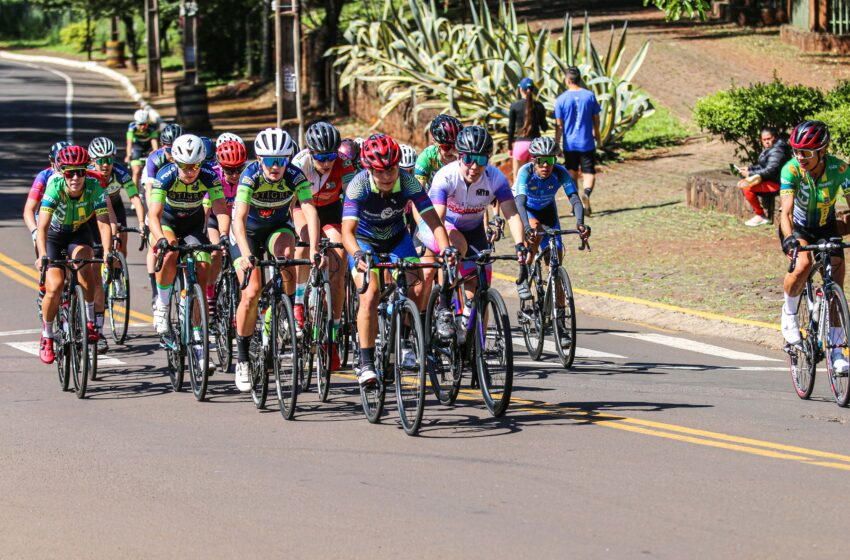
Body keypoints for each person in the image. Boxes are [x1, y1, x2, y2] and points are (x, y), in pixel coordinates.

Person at [342, 133, 454, 386]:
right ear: (369, 169)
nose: (387, 176)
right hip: (363, 241)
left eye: (391, 169)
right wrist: (357, 254)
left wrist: (446, 249)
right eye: (380, 171)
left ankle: (402, 340)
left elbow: (434, 221)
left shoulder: (408, 181)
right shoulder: (358, 185)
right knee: (369, 294)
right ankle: (366, 361)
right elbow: (347, 231)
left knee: (417, 286)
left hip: (396, 238)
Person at [415, 125, 529, 341]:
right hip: (440, 225)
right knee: (456, 246)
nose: (474, 166)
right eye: (468, 159)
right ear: (459, 156)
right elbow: (437, 217)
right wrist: (446, 246)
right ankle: (444, 308)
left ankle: (471, 341)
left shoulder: (495, 178)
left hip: (473, 228)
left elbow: (512, 214)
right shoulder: (445, 177)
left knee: (480, 278)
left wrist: (520, 245)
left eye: (481, 160)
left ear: (489, 159)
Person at [231, 128, 323, 392]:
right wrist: (247, 254)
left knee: (287, 258)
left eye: (281, 160)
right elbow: (238, 219)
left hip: (276, 228)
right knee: (251, 292)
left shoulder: (295, 175)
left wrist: (315, 248)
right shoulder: (249, 176)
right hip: (246, 232)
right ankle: (243, 358)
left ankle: (285, 310)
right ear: (259, 160)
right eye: (270, 161)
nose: (276, 167)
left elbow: (309, 210)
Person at [148, 134, 231, 373]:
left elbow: (220, 209)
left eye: (194, 166)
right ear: (175, 162)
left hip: (194, 225)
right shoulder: (166, 175)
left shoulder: (208, 176)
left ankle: (197, 335)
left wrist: (223, 234)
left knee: (203, 270)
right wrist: (161, 239)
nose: (189, 171)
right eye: (184, 166)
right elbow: (153, 215)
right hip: (167, 222)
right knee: (171, 250)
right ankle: (162, 306)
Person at [778, 120, 850, 373]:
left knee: (836, 283)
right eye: (796, 151)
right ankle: (789, 314)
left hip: (826, 226)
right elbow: (784, 213)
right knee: (804, 265)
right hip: (797, 228)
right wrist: (789, 239)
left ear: (822, 151)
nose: (800, 157)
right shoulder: (791, 170)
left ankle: (838, 351)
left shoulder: (840, 169)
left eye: (806, 152)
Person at [35, 146, 112, 364]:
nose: (76, 177)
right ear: (62, 173)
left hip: (79, 232)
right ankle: (48, 335)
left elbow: (103, 223)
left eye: (80, 172)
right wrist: (42, 255)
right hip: (54, 236)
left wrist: (107, 252)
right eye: (70, 172)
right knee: (55, 286)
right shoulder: (55, 186)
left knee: (85, 266)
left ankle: (89, 321)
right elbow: (42, 228)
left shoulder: (95, 186)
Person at [291, 122, 356, 371]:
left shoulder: (344, 164)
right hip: (302, 207)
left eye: (331, 156)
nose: (326, 162)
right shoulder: (299, 164)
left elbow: (352, 199)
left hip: (330, 210)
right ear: (310, 152)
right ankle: (298, 300)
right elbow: (290, 203)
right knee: (304, 240)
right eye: (321, 157)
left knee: (338, 260)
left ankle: (334, 332)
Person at [513, 137, 590, 325]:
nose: (546, 166)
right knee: (535, 228)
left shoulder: (560, 172)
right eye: (541, 161)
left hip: (549, 212)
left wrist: (580, 223)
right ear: (534, 160)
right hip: (527, 211)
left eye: (551, 161)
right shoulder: (525, 171)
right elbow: (520, 203)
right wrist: (525, 227)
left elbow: (575, 199)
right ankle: (524, 272)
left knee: (555, 267)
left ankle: (560, 321)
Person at [141, 123, 183, 305]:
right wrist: (151, 216)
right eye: (168, 149)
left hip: (179, 199)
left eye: (176, 149)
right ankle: (154, 288)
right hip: (157, 197)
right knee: (155, 243)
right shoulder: (155, 159)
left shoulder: (186, 158)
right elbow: (149, 190)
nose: (172, 154)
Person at [205, 138, 247, 316]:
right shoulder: (212, 176)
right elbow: (205, 210)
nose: (235, 174)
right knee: (215, 252)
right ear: (220, 166)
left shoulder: (248, 176)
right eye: (230, 170)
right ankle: (210, 293)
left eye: (239, 169)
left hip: (237, 221)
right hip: (215, 219)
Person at [553, 66, 601, 216]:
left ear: (567, 80)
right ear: (579, 79)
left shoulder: (561, 99)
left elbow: (559, 125)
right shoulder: (589, 96)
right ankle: (586, 192)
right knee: (588, 172)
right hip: (586, 142)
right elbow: (596, 118)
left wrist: (557, 142)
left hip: (570, 144)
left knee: (572, 173)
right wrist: (597, 133)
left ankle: (576, 205)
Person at [88, 137, 145, 261]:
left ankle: (119, 274)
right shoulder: (88, 175)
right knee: (96, 247)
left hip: (115, 204)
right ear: (92, 162)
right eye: (101, 161)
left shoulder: (120, 172)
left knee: (122, 245)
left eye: (109, 160)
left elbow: (135, 197)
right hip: (93, 211)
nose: (105, 165)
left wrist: (141, 223)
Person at [736, 126, 791, 226]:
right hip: (771, 180)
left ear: (774, 137)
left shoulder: (777, 151)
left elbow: (770, 170)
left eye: (769, 139)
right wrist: (749, 169)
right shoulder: (772, 148)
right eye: (764, 139)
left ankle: (760, 216)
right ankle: (760, 215)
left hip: (778, 184)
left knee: (747, 187)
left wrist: (750, 174)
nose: (766, 141)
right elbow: (763, 166)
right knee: (746, 184)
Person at [24, 141, 69, 251]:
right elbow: (29, 210)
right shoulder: (44, 177)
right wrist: (35, 231)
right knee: (45, 260)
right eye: (60, 162)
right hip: (46, 218)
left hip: (70, 218)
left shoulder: (77, 177)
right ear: (51, 161)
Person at [508, 77, 549, 182]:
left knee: (517, 179)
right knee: (534, 178)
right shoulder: (539, 106)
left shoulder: (515, 106)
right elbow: (545, 128)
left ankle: (519, 198)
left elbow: (511, 129)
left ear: (520, 89)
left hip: (520, 145)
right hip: (536, 146)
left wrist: (510, 147)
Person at [414, 114, 463, 190]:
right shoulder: (426, 158)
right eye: (446, 147)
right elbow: (419, 193)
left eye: (455, 147)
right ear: (434, 142)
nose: (451, 151)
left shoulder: (463, 156)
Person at [125, 108, 160, 190]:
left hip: (148, 149)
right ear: (136, 123)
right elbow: (129, 143)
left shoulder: (152, 128)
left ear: (147, 123)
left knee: (152, 172)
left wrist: (155, 152)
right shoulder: (132, 128)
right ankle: (135, 194)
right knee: (136, 171)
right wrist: (128, 155)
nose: (142, 127)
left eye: (144, 124)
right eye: (140, 124)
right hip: (137, 148)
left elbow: (154, 143)